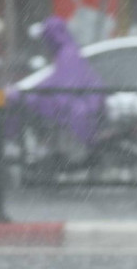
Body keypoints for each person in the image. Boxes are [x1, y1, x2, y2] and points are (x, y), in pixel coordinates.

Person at [8, 16, 107, 162]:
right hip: (82, 104)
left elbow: (63, 84)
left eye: (46, 38)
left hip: (81, 107)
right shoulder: (67, 52)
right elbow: (59, 81)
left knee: (18, 103)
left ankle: (21, 145)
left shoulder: (67, 54)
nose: (45, 43)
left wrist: (33, 94)